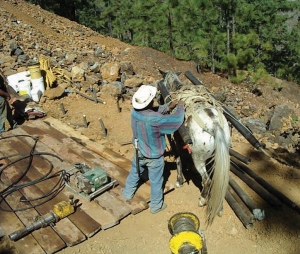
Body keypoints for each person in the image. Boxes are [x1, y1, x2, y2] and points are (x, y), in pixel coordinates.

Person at [122, 84, 185, 214]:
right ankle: (156, 206)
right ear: (149, 101)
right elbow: (175, 120)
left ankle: (127, 193)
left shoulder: (135, 112)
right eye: (152, 100)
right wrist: (180, 107)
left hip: (139, 150)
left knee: (135, 171)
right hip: (154, 156)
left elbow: (151, 111)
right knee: (156, 181)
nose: (153, 101)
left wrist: (167, 107)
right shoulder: (155, 119)